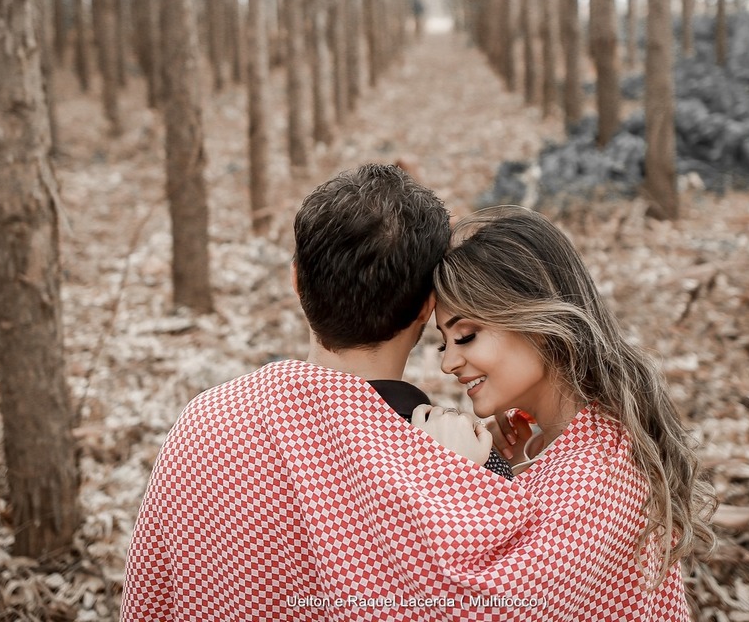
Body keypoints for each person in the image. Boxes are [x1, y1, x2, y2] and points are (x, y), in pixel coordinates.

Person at [123, 164, 518, 621]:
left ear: (295, 281)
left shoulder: (200, 425)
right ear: (428, 306)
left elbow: (149, 600)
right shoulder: (460, 462)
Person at [419, 205, 715, 613]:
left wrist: (452, 481)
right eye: (443, 343)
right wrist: (506, 473)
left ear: (539, 323)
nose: (447, 363)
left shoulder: (597, 476)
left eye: (466, 336)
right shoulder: (577, 444)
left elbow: (470, 609)